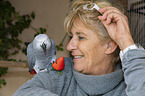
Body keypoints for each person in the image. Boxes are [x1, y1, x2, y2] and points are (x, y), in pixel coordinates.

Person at [14, 0, 145, 96]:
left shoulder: (132, 81)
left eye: (81, 37)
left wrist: (126, 43)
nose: (69, 46)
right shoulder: (62, 71)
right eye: (71, 36)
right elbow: (23, 93)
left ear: (110, 45)